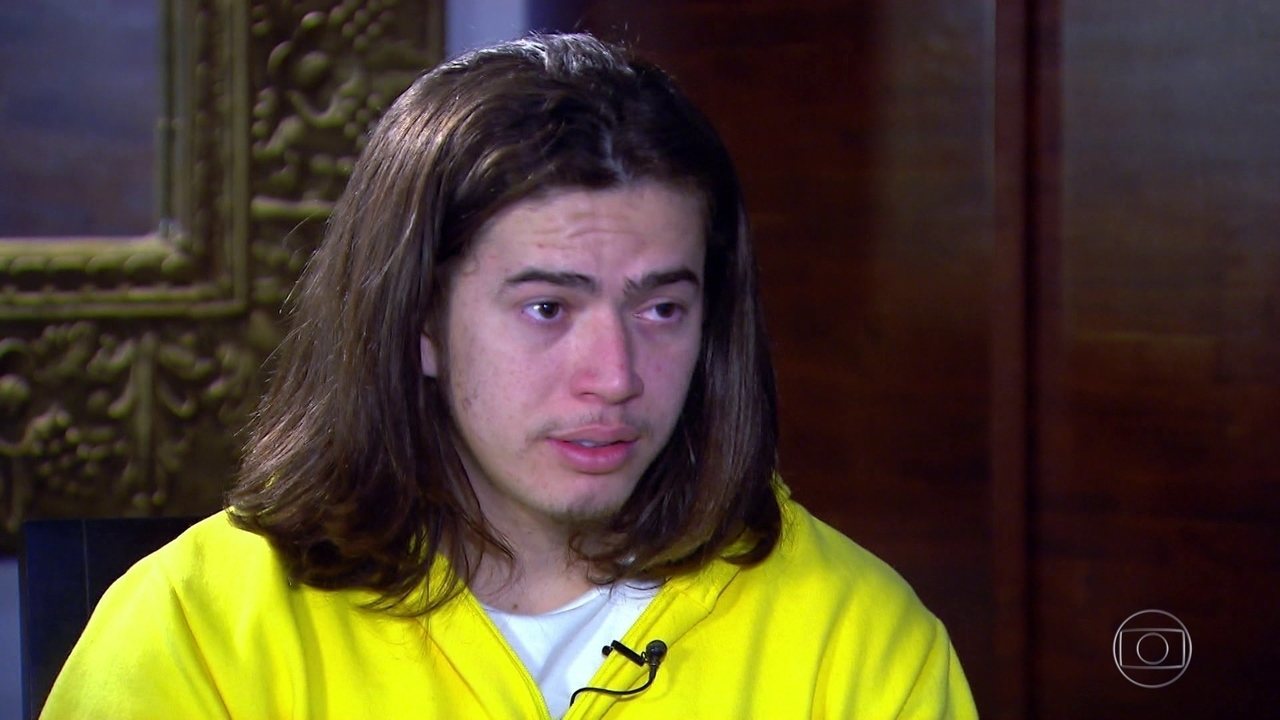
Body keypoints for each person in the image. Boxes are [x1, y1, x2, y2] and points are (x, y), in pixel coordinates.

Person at [44, 33, 978, 718]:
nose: (614, 377)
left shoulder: (857, 639)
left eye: (661, 309)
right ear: (419, 321)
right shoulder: (197, 630)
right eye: (548, 309)